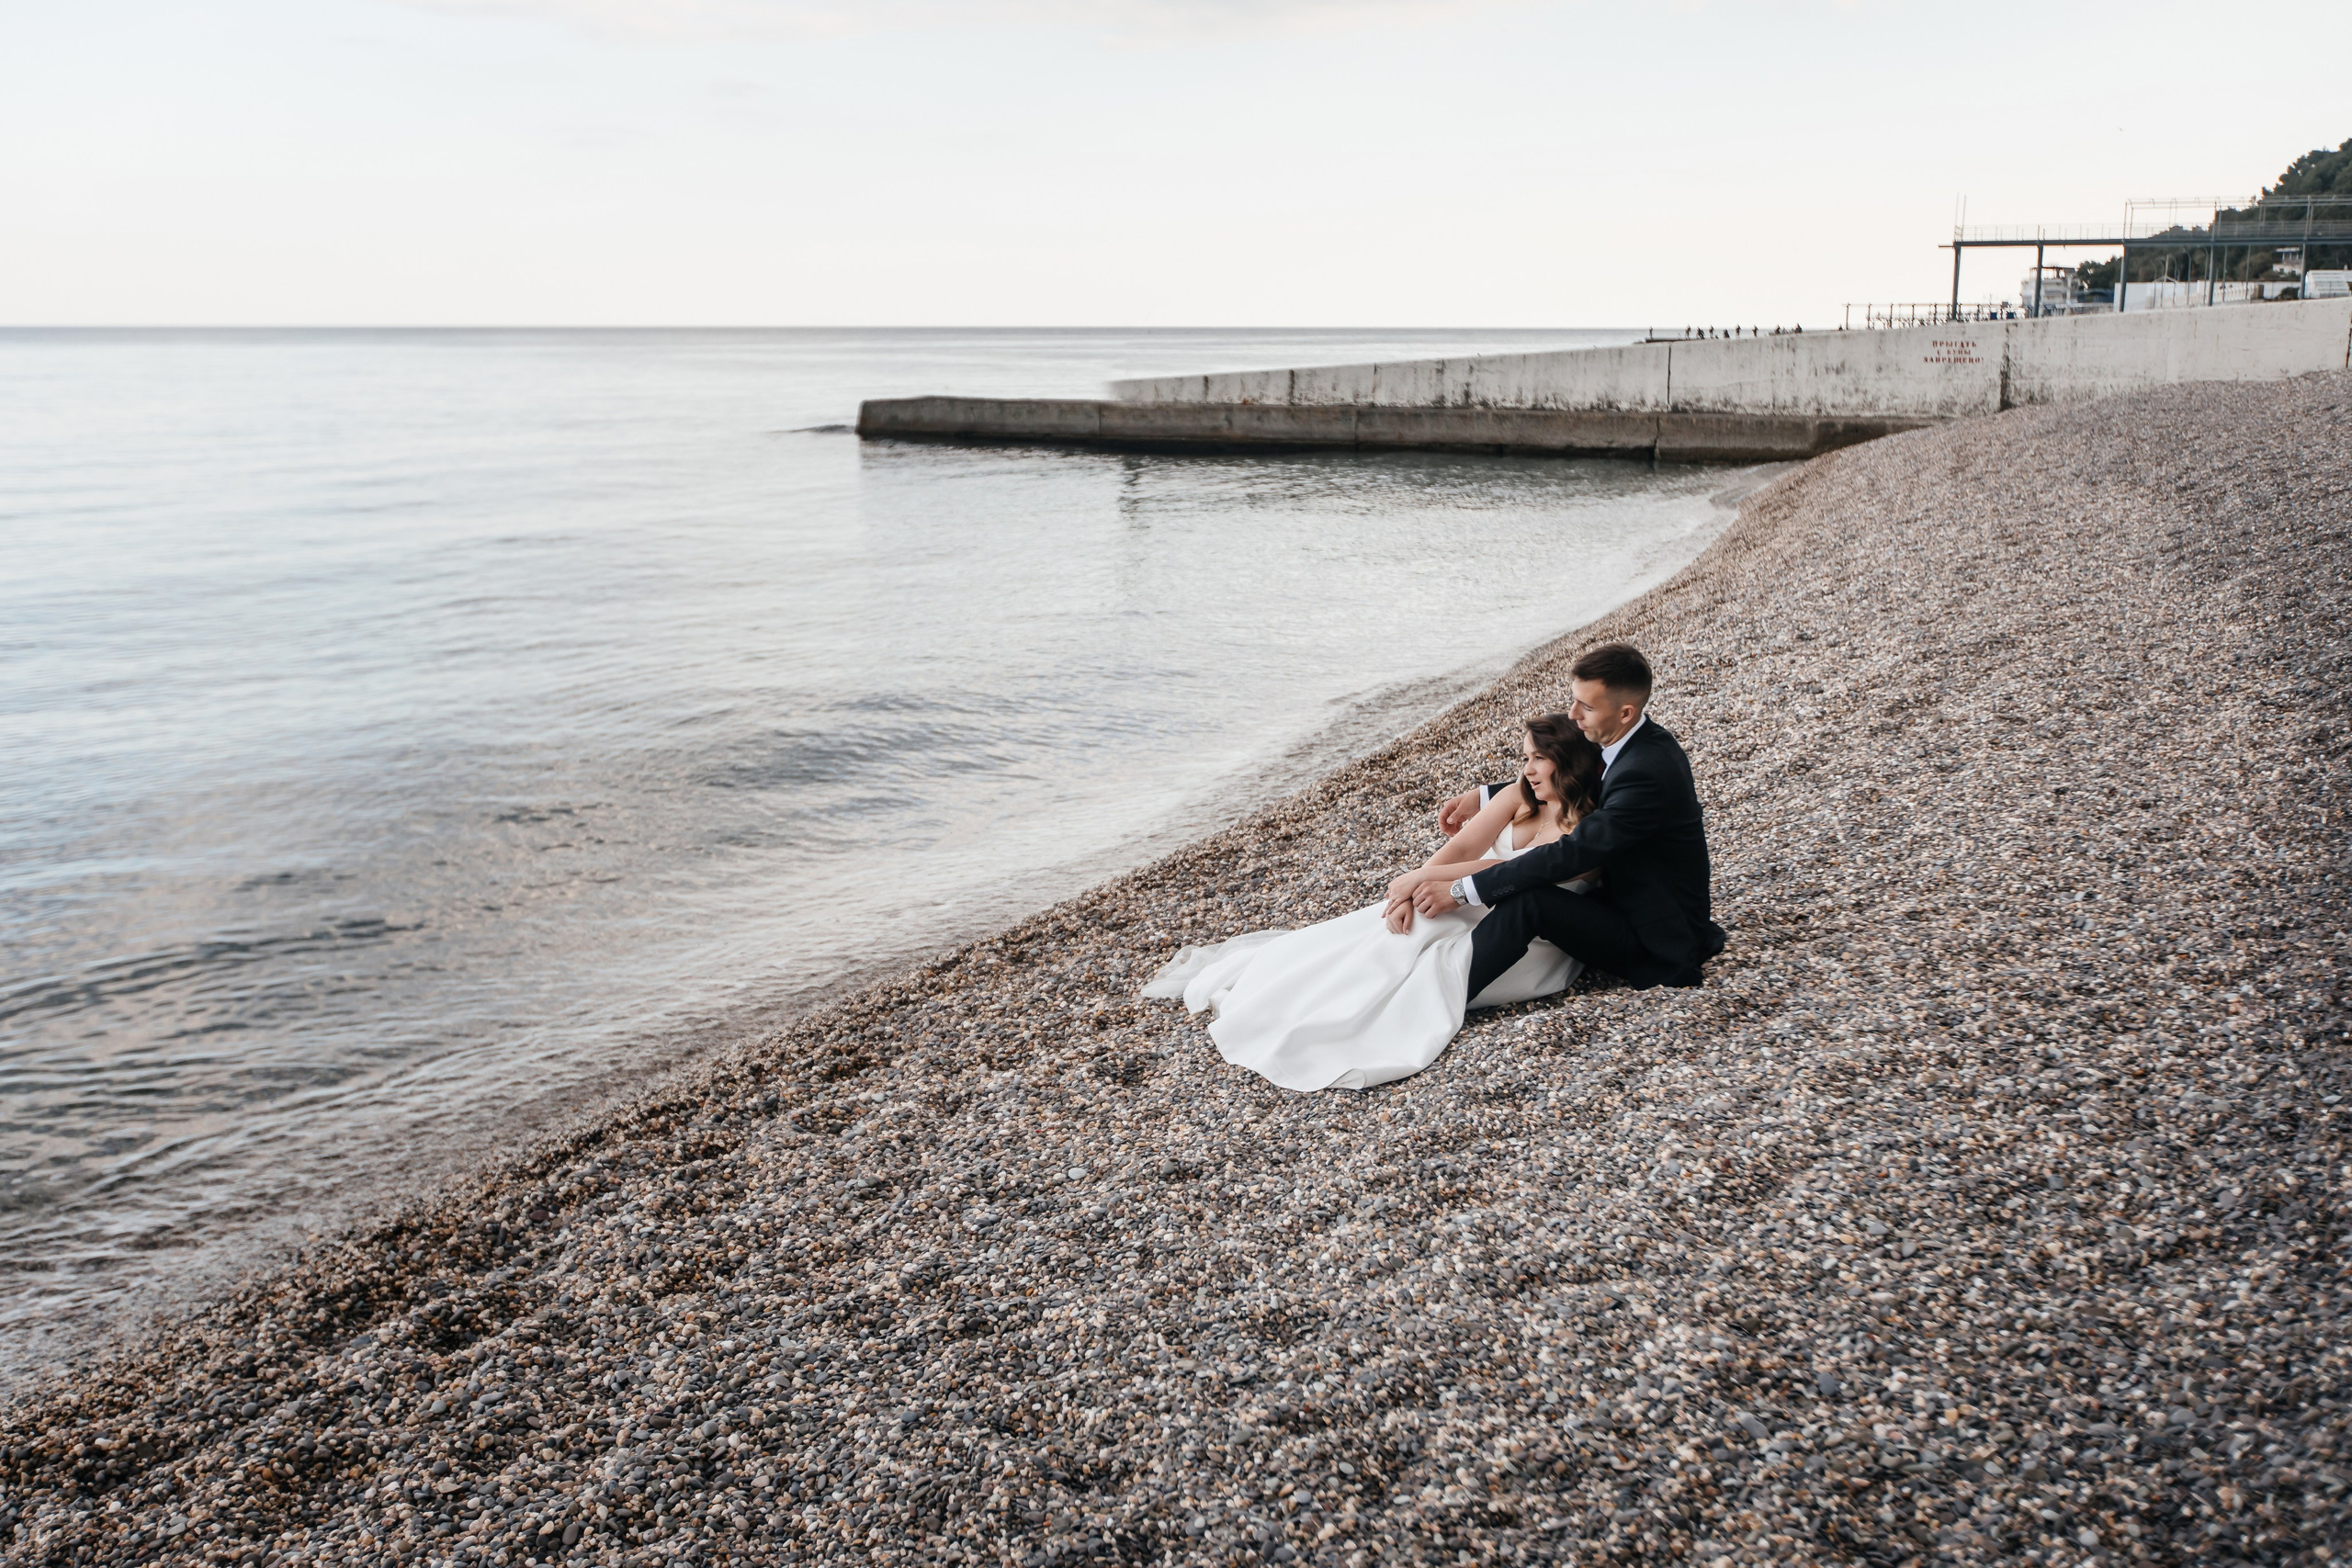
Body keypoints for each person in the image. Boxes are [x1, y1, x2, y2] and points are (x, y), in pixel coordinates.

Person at [1142, 716, 1605, 1092]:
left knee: (1422, 948)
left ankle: (1333, 1022)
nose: (1526, 770)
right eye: (1525, 758)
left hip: (1526, 940)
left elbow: (1513, 875)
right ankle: (1300, 998)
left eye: (1538, 759)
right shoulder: (1518, 798)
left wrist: (1422, 878)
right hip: (1459, 898)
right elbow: (1462, 850)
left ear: (1568, 764)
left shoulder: (1588, 834)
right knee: (1389, 927)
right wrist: (1408, 890)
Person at [1419, 642, 1725, 996]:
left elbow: (1571, 854)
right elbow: (1576, 772)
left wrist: (1463, 890)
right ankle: (1436, 970)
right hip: (1617, 902)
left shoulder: (1645, 773)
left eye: (1587, 706)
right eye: (1574, 699)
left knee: (1529, 902)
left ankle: (1443, 995)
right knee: (1520, 896)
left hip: (1654, 936)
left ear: (1625, 712)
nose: (1573, 714)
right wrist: (1486, 795)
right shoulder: (1629, 744)